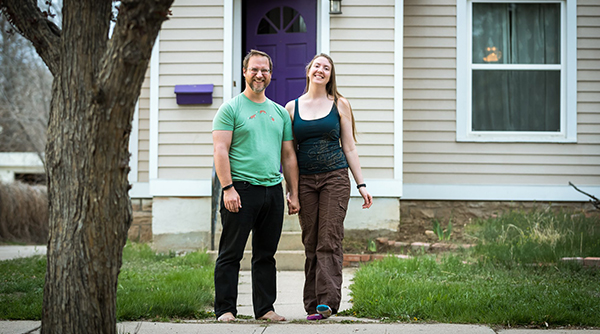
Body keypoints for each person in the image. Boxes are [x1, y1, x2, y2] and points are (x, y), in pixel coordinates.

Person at [212, 49, 300, 322]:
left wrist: (292, 192)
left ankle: (265, 309)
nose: (259, 74)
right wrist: (228, 188)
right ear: (245, 72)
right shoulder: (230, 109)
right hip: (240, 190)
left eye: (264, 70)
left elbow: (288, 155)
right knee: (231, 253)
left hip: (272, 191)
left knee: (266, 255)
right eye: (254, 69)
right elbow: (220, 150)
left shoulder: (279, 112)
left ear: (270, 75)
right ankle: (225, 309)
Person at [285, 53, 373, 321]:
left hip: (335, 178)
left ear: (330, 75)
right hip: (306, 183)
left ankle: (327, 302)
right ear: (308, 70)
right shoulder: (291, 108)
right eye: (317, 66)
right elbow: (288, 155)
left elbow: (349, 146)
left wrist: (361, 184)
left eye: (326, 68)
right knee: (310, 241)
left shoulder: (340, 104)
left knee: (329, 238)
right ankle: (311, 304)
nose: (320, 70)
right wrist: (292, 190)